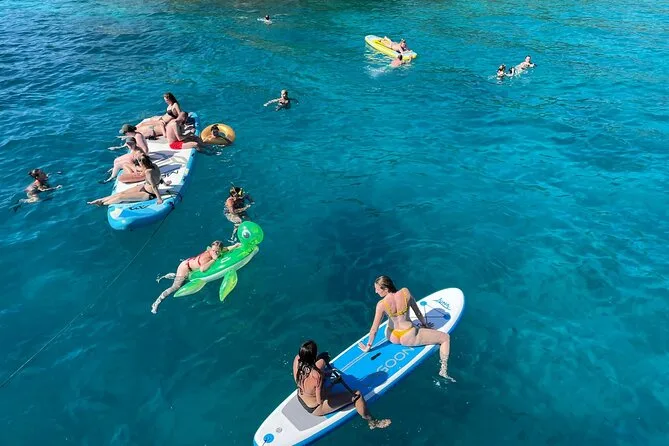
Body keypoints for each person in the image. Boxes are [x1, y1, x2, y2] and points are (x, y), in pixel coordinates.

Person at [358, 276, 455, 380]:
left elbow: (374, 329)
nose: (376, 292)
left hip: (392, 336)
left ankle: (443, 369)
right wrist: (425, 325)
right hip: (408, 336)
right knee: (445, 338)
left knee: (391, 320)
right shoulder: (405, 292)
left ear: (386, 289)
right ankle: (443, 369)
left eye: (377, 289)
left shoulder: (381, 304)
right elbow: (417, 312)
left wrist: (368, 347)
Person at [293, 340, 391, 429]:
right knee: (357, 395)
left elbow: (302, 380)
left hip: (300, 396)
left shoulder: (297, 359)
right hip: (315, 407)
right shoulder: (316, 376)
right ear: (314, 356)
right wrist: (332, 383)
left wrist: (325, 374)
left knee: (324, 370)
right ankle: (372, 422)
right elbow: (320, 401)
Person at [151, 240, 241, 313]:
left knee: (184, 279)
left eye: (217, 251)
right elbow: (202, 269)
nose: (215, 252)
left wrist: (236, 245)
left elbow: (227, 249)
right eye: (213, 251)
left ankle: (172, 276)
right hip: (186, 267)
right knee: (176, 286)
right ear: (211, 249)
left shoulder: (219, 250)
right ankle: (156, 302)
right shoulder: (206, 257)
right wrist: (214, 259)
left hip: (192, 263)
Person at [87, 155, 163, 206]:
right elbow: (159, 177)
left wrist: (159, 199)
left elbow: (154, 186)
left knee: (120, 197)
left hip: (149, 194)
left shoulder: (148, 172)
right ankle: (100, 200)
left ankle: (103, 203)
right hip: (144, 187)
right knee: (121, 193)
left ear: (142, 163)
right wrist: (165, 183)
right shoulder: (154, 166)